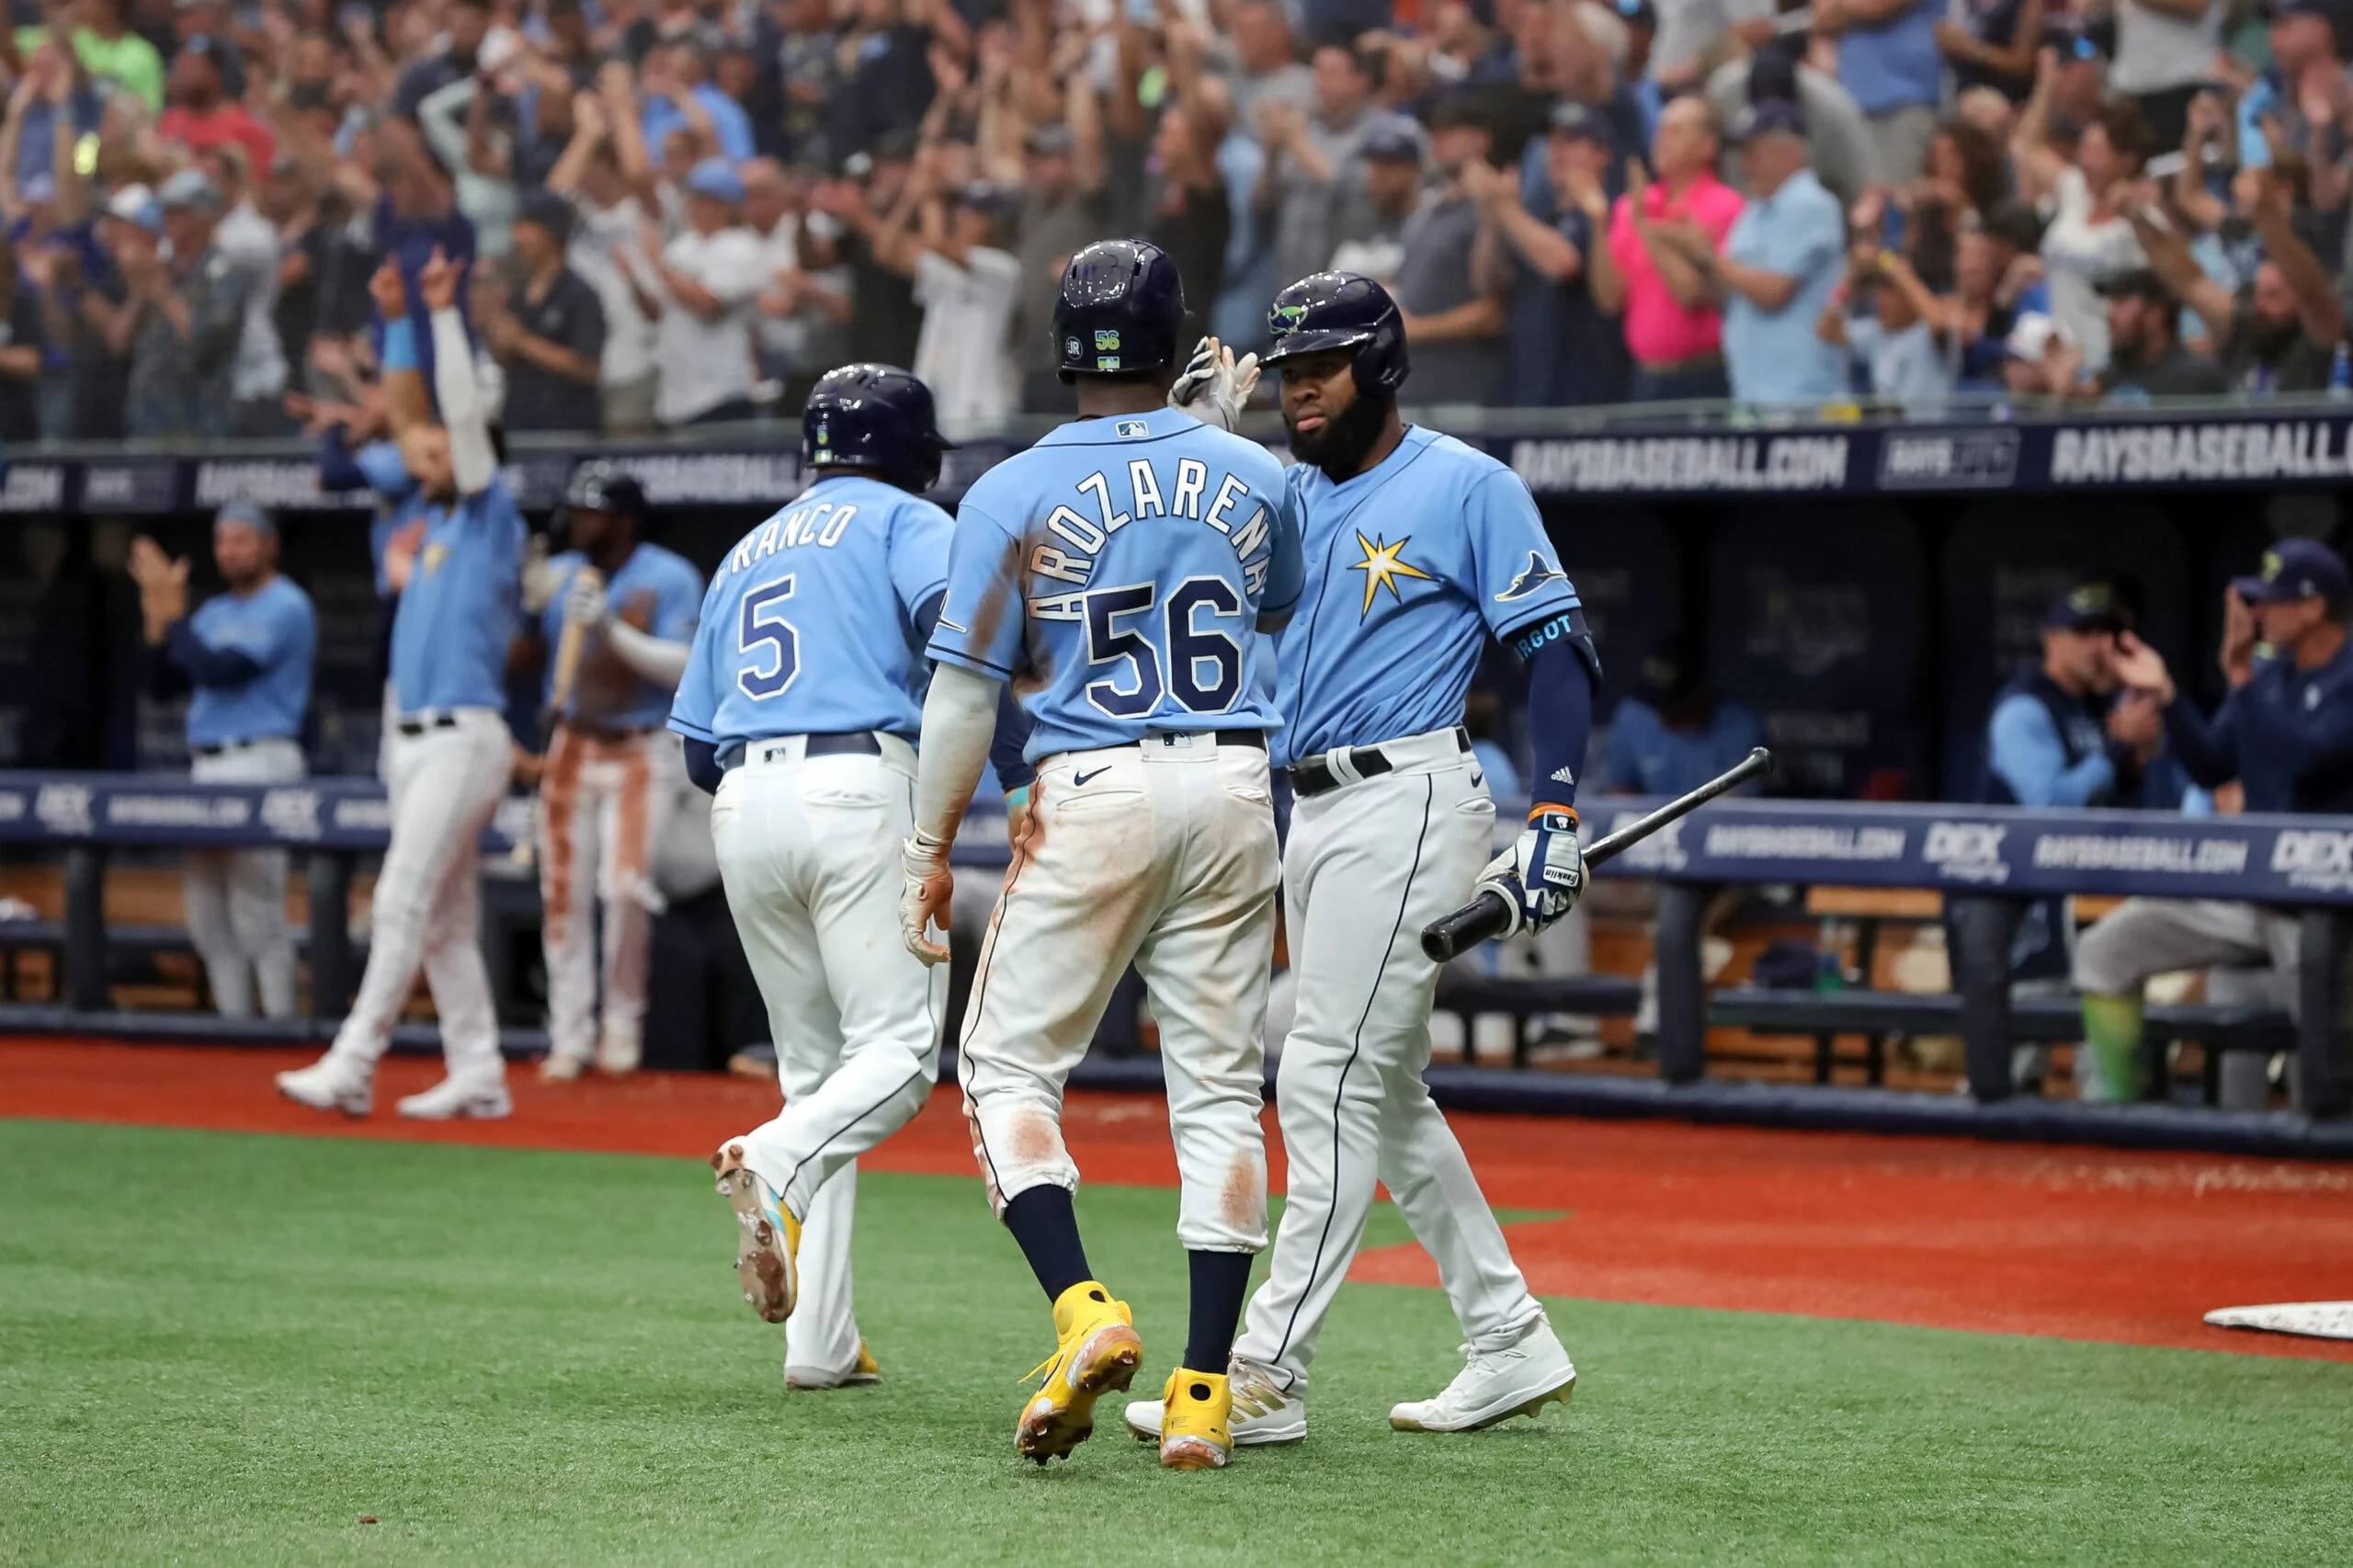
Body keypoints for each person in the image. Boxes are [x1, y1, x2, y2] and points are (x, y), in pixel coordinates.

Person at [1126, 271, 1592, 1452]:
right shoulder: (1281, 490)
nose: (1297, 391)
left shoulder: (1465, 483)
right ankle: (1508, 1335)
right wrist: (1197, 440)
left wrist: (1554, 808)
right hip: (1314, 809)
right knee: (1382, 1094)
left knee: (1321, 1078)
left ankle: (1264, 1371)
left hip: (1412, 796)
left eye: (1319, 368)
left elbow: (1556, 645)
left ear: (1379, 364)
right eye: (1285, 373)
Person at [901, 240, 1299, 1471]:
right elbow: (1270, 606)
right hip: (1236, 779)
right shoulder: (1258, 469)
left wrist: (926, 844)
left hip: (1094, 781)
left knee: (1004, 1063)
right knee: (1223, 1093)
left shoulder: (1009, 488)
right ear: (1176, 336)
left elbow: (967, 699)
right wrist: (1203, 449)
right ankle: (1198, 1396)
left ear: (1060, 345)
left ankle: (1083, 1309)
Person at [688, 365, 962, 1392]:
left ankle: (821, 1342)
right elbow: (964, 649)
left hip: (741, 799)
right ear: (913, 449)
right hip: (857, 781)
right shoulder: (901, 518)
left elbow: (691, 749)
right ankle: (769, 1157)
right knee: (894, 1057)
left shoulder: (746, 547)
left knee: (820, 1074)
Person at [275, 251, 523, 1121]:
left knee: (400, 894)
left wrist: (444, 316)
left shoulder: (490, 513)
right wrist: (393, 322)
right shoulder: (428, 515)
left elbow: (448, 413)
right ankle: (480, 1072)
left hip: (464, 735)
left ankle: (354, 1061)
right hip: (412, 738)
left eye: (442, 449)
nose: (424, 452)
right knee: (447, 917)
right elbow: (414, 415)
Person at [2079, 541, 2353, 1103]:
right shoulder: (2270, 679)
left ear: (2313, 607)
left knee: (2325, 1075)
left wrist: (2242, 678)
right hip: (2251, 895)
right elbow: (2210, 763)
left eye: (2271, 602)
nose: (2256, 615)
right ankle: (2112, 1120)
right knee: (2105, 951)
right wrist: (2167, 694)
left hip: (2326, 911)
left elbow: (2311, 757)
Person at [528, 463, 701, 1082]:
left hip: (640, 745)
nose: (580, 521)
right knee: (561, 893)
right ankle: (568, 1034)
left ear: (625, 518)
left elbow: (682, 668)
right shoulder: (566, 575)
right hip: (575, 741)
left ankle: (621, 1025)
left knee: (623, 889)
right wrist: (525, 601)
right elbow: (530, 661)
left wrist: (611, 626)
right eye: (576, 509)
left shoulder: (668, 574)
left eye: (593, 511)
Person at [125, 504, 315, 1021]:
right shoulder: (214, 612)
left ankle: (280, 1028)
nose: (230, 551)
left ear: (269, 545)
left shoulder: (286, 605)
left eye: (242, 540)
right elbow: (161, 684)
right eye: (222, 541)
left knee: (258, 916)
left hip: (261, 759)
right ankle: (232, 1032)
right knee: (208, 920)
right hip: (207, 765)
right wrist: (154, 613)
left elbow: (220, 669)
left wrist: (175, 612)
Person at [1470, 99, 1631, 407]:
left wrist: (1507, 209)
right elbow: (1486, 280)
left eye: (1572, 141)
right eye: (1553, 141)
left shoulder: (1610, 213)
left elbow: (1564, 263)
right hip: (1529, 384)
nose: (1558, 151)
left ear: (1602, 154)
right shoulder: (1539, 217)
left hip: (1585, 391)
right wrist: (1492, 222)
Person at [1597, 95, 1742, 401]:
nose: (1661, 140)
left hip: (1702, 375)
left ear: (1708, 145)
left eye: (1675, 131)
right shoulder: (1631, 206)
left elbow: (1691, 292)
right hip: (1643, 375)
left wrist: (1645, 226)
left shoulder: (1726, 206)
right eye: (1660, 130)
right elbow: (1611, 299)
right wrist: (1599, 220)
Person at [1711, 99, 1846, 407]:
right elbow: (1726, 286)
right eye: (1743, 154)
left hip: (1802, 395)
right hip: (1752, 391)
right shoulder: (1752, 212)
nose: (1746, 165)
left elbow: (1774, 292)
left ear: (1792, 152)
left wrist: (1708, 259)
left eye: (1754, 153)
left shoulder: (1812, 205)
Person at [643, 158, 766, 426]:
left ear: (726, 205)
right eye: (695, 198)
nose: (697, 207)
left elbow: (709, 306)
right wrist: (633, 276)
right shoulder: (682, 246)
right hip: (677, 395)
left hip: (723, 392)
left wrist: (661, 268)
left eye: (707, 199)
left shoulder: (742, 246)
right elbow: (656, 310)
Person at [490, 192, 607, 432]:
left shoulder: (579, 295)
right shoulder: (517, 294)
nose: (517, 238)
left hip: (567, 432)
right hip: (520, 427)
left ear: (551, 231)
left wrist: (522, 341)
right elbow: (505, 359)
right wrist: (500, 340)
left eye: (525, 227)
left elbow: (589, 368)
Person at [1817, 0, 1943, 183]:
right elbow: (1822, 20)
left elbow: (1877, 6)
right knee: (1857, 200)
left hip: (1906, 102)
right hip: (1852, 104)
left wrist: (1844, 8)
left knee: (1894, 199)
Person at [2081, 267, 2224, 402]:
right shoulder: (2110, 378)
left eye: (2120, 302)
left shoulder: (2196, 378)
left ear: (2155, 313)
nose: (2111, 315)